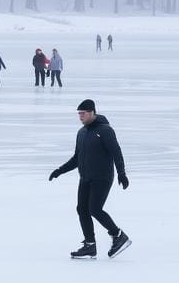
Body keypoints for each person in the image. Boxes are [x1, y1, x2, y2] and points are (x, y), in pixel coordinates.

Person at [48, 99, 131, 260]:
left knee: (94, 209)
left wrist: (121, 173)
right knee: (82, 209)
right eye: (79, 114)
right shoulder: (82, 132)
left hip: (102, 177)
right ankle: (90, 246)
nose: (81, 117)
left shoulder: (105, 130)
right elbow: (77, 158)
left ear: (93, 112)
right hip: (85, 177)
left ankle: (118, 235)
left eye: (83, 113)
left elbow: (116, 152)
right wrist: (60, 171)